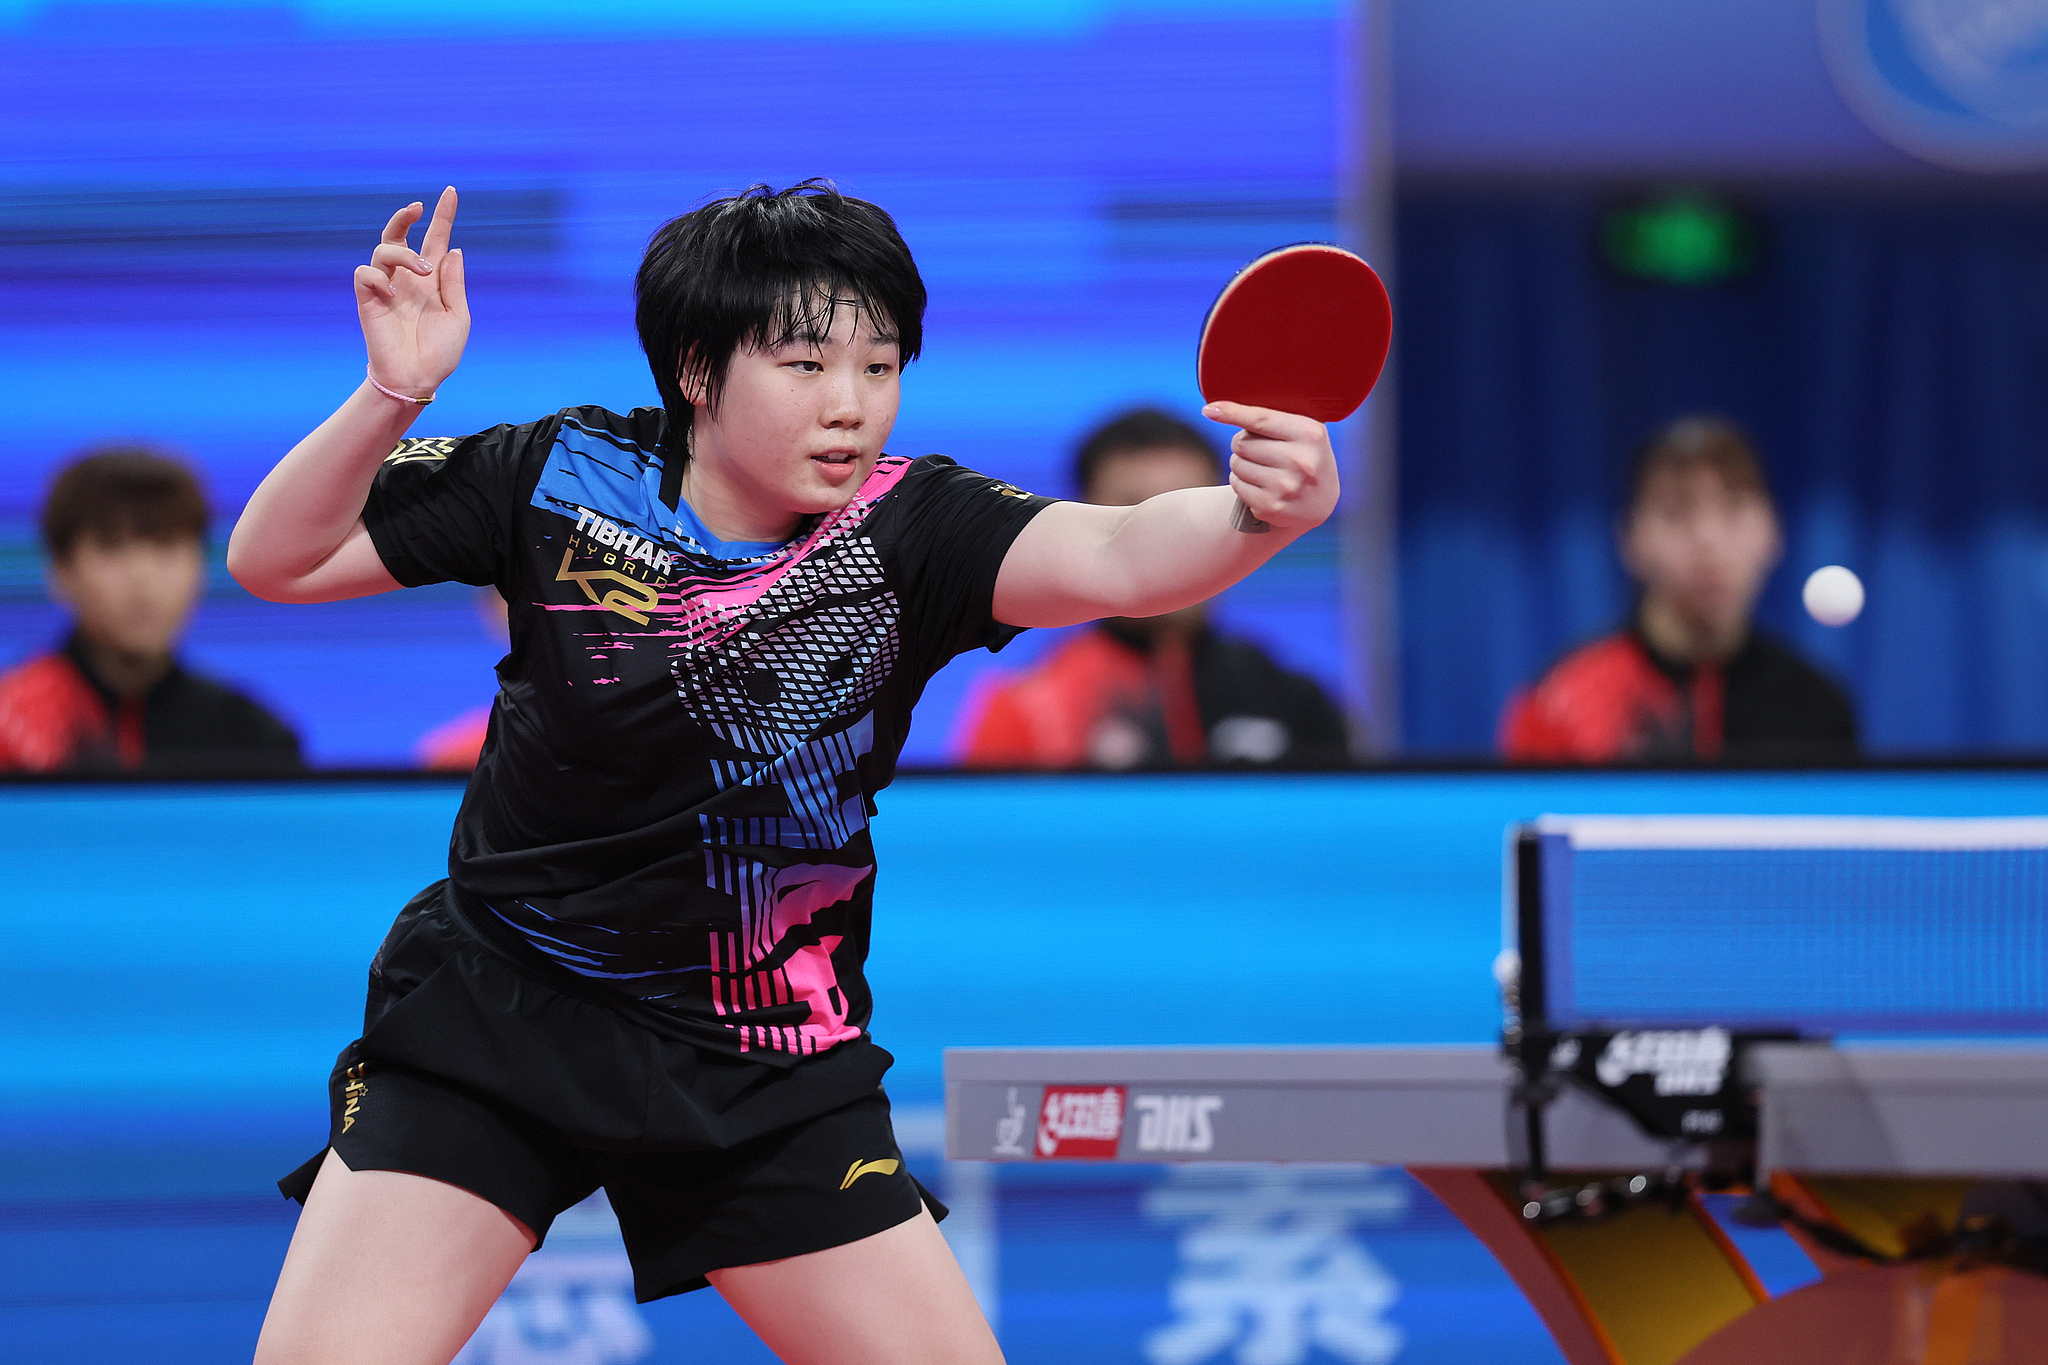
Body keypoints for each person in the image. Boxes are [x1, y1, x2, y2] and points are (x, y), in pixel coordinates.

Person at [226, 180, 1338, 1365]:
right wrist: (393, 394)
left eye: (878, 366)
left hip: (761, 1058)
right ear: (698, 369)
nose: (849, 406)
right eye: (806, 366)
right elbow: (275, 562)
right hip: (499, 1015)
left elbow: (1115, 552)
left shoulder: (914, 526)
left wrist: (1249, 520)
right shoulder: (555, 475)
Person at [957, 408, 1348, 768]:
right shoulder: (1024, 709)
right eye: (1137, 510)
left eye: (1191, 510)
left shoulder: (1297, 700)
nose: (1168, 539)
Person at [1499, 416, 1856, 765]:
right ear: (1630, 539)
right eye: (1676, 511)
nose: (1708, 539)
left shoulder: (1816, 706)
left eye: (1733, 507)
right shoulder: (1561, 703)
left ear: (1773, 531)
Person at [0, 447, 301, 774]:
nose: (142, 577)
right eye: (111, 546)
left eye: (166, 544)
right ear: (59, 571)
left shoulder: (254, 739)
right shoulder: (10, 724)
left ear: (200, 566)